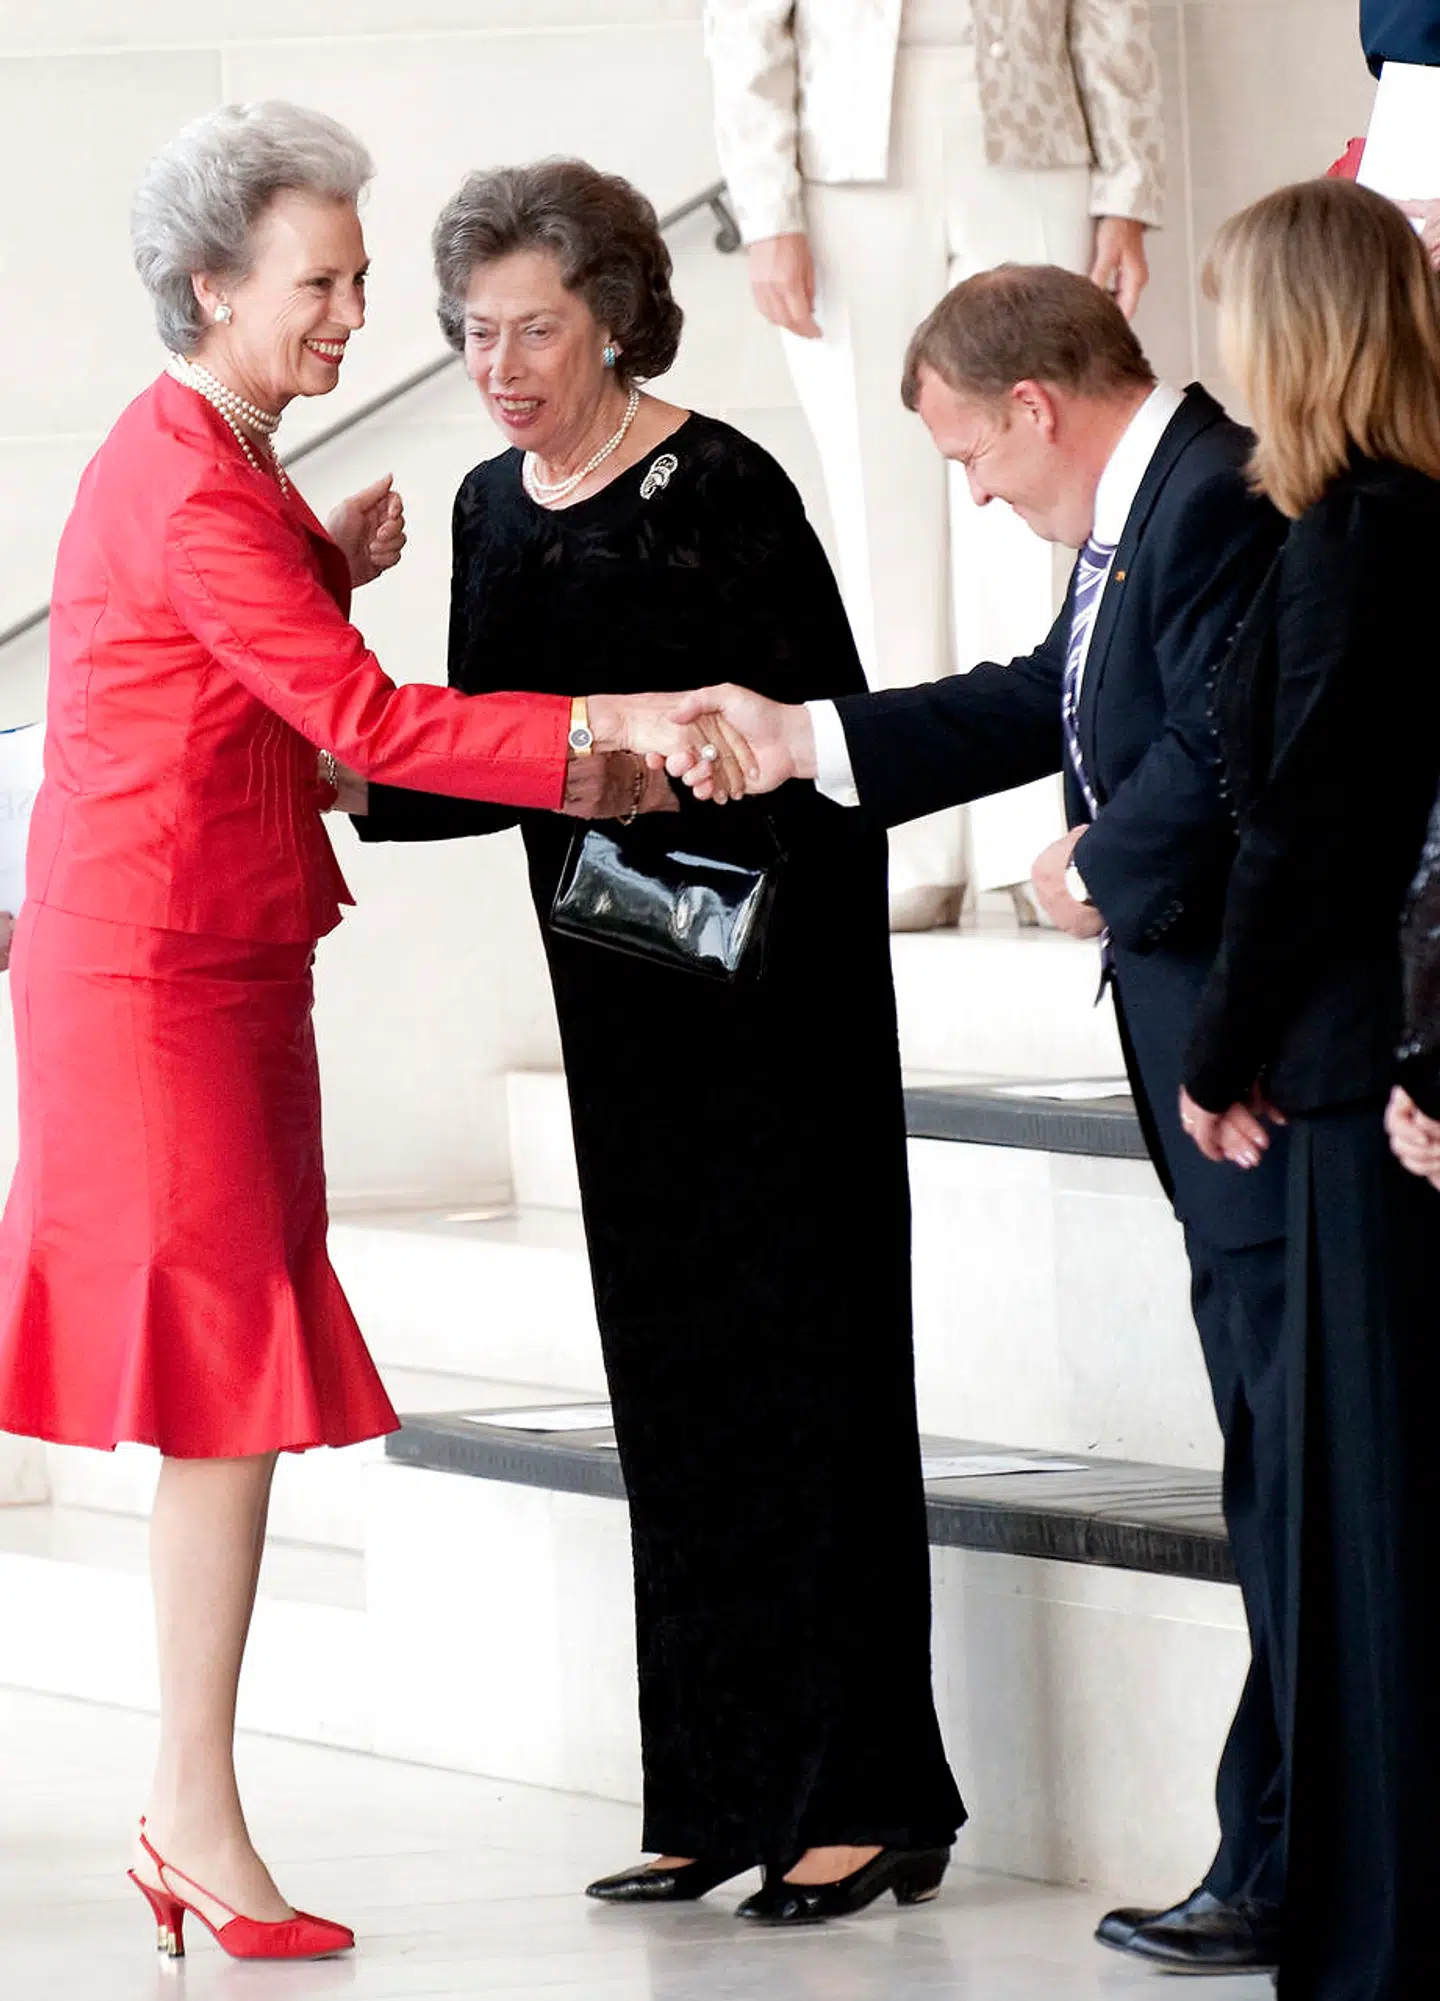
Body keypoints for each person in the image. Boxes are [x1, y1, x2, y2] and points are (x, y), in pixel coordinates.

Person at [0, 102, 723, 1963]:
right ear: (214, 283)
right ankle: (193, 1811)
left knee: (214, 1407)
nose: (353, 317)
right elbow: (363, 722)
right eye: (318, 283)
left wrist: (311, 547)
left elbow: (213, 653)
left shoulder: (213, 460)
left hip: (196, 960)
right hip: (158, 977)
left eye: (352, 278)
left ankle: (190, 1806)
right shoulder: (185, 474)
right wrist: (587, 734)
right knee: (217, 1400)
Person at [347, 157, 964, 1924]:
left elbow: (822, 748)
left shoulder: (720, 483)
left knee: (811, 1380)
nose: (501, 362)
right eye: (473, 330)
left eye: (535, 325)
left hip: (771, 1003)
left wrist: (655, 763)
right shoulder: (487, 503)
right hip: (619, 999)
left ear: (612, 311)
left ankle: (863, 1794)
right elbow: (487, 749)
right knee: (676, 1387)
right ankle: (709, 1782)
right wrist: (341, 759)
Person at [668, 264, 1293, 1975]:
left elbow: (1219, 750)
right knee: (1267, 1474)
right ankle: (1277, 1844)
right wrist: (809, 741)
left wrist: (1103, 859)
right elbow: (1044, 697)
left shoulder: (1216, 497)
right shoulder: (1137, 508)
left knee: (1295, 1484)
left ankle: (1281, 1858)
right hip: (1207, 1082)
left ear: (1038, 404)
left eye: (970, 455)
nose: (976, 491)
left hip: (1257, 1083)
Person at [1179, 176, 1440, 2001]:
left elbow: (1323, 834)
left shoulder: (1367, 537)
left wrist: (1222, 1045)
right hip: (1355, 1062)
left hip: (1363, 1084)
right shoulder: (1365, 526)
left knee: (1382, 1541)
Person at [703, 0, 1165, 927]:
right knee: (884, 512)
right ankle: (911, 840)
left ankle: (1043, 829)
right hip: (845, 149)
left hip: (1037, 127)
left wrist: (1127, 187)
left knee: (1044, 491)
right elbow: (745, 22)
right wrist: (765, 205)